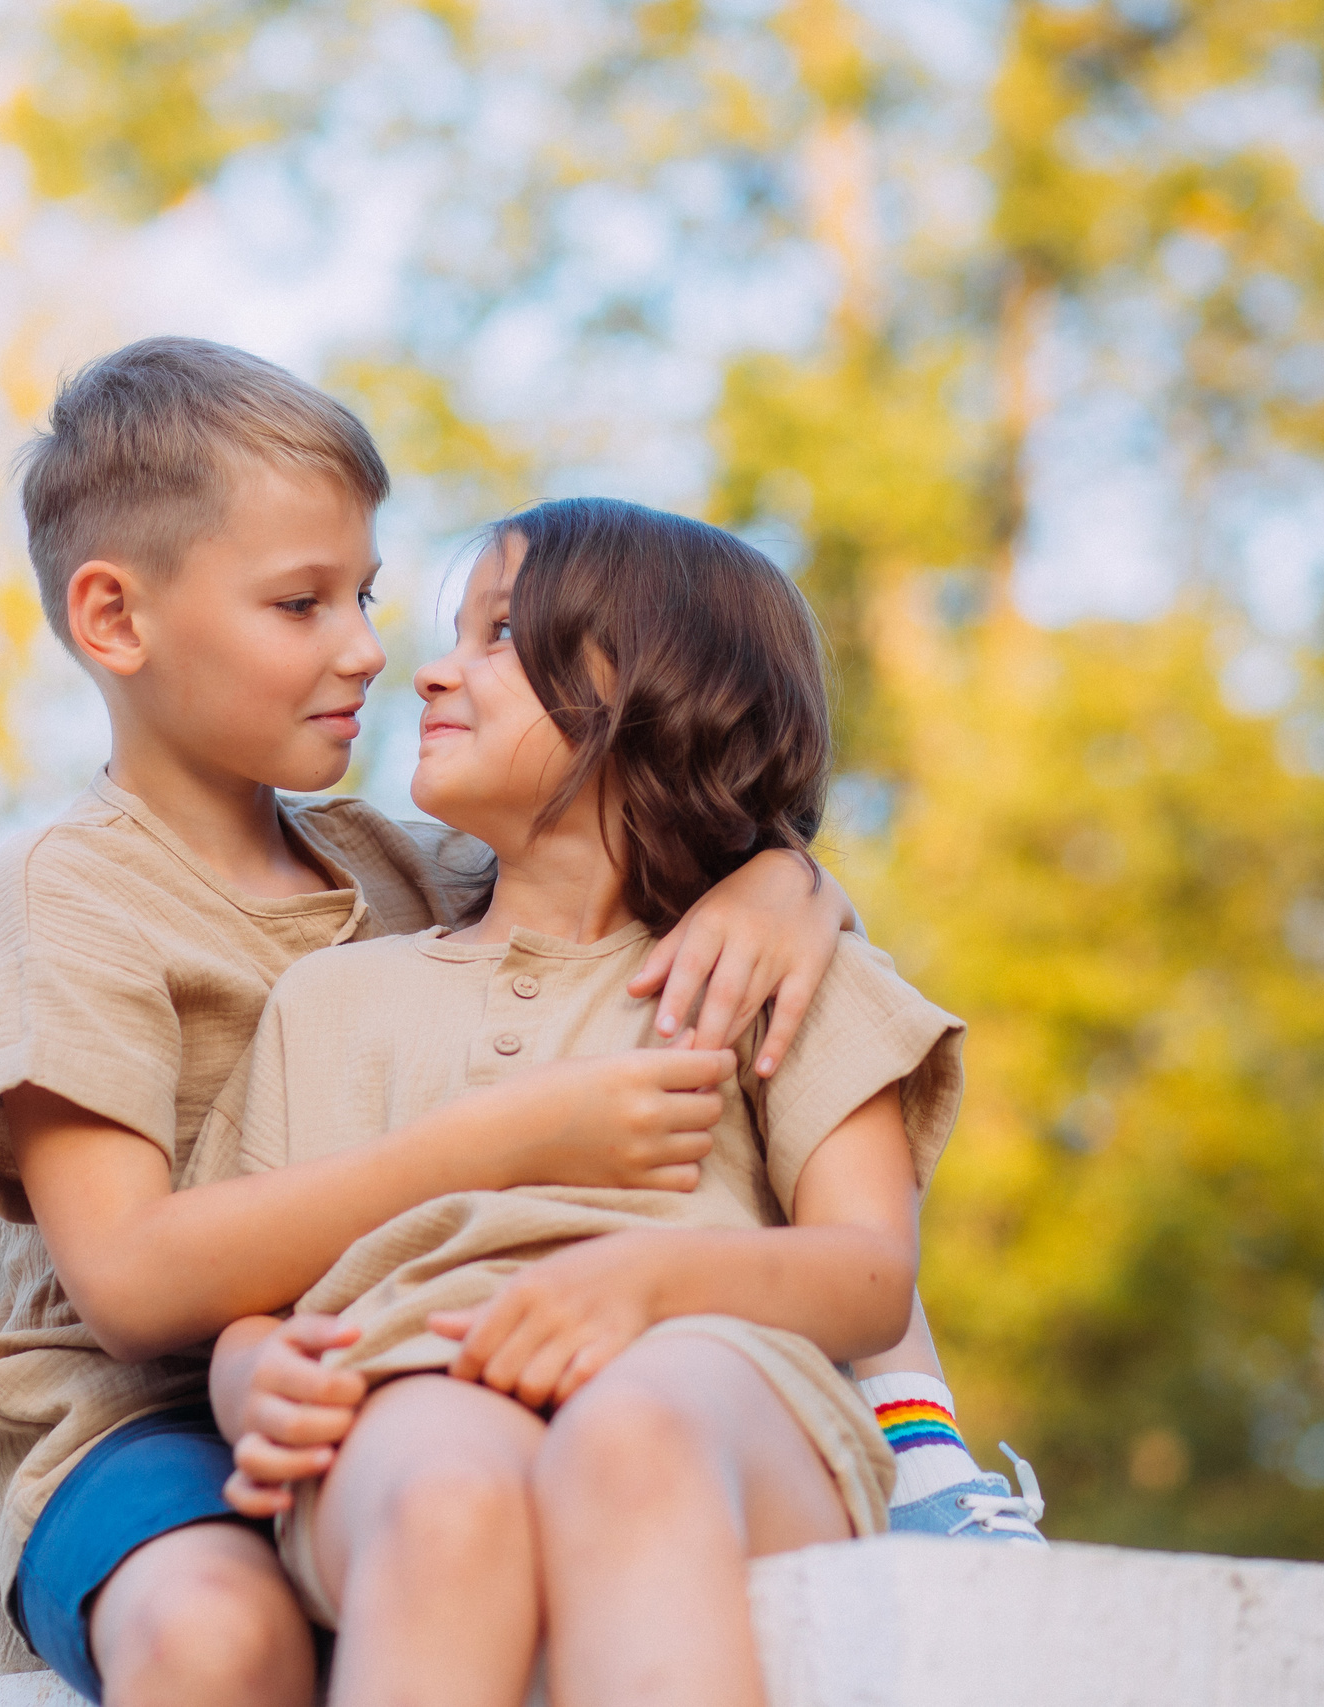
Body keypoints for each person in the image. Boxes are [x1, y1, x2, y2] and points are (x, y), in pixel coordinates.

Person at [0, 339, 869, 1707]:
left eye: (362, 593)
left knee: (479, 1504)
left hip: (405, 1359)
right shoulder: (64, 893)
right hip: (148, 1411)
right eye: (299, 602)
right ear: (117, 621)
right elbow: (128, 1278)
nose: (367, 647)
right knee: (218, 1636)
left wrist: (791, 880)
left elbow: (634, 839)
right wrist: (496, 1140)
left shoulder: (412, 865)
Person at [206, 498, 1042, 1707]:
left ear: (655, 697)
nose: (430, 672)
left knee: (631, 1438)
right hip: (408, 1390)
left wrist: (647, 1286)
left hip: (715, 1388)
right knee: (449, 1502)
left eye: (499, 635)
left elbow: (868, 1275)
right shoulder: (328, 1001)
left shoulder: (784, 974)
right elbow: (253, 1297)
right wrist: (253, 1383)